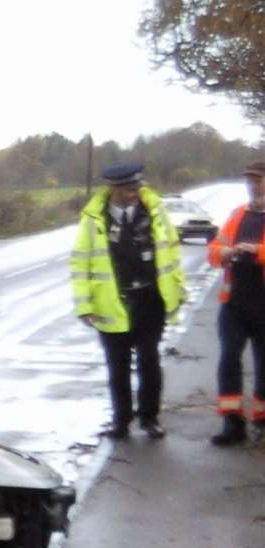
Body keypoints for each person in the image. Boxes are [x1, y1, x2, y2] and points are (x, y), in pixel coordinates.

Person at [71, 161, 186, 439]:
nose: (133, 193)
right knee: (117, 366)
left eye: (136, 187)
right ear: (113, 189)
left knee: (149, 360)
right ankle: (120, 421)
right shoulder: (94, 218)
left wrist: (178, 289)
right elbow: (80, 263)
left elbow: (171, 251)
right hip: (112, 303)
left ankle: (150, 418)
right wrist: (84, 305)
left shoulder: (155, 212)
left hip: (150, 299)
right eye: (127, 189)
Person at [206, 159, 265, 446]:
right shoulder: (237, 214)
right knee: (229, 360)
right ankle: (232, 423)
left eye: (258, 179)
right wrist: (226, 253)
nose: (253, 185)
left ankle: (262, 421)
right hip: (234, 304)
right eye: (249, 180)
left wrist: (257, 250)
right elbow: (214, 250)